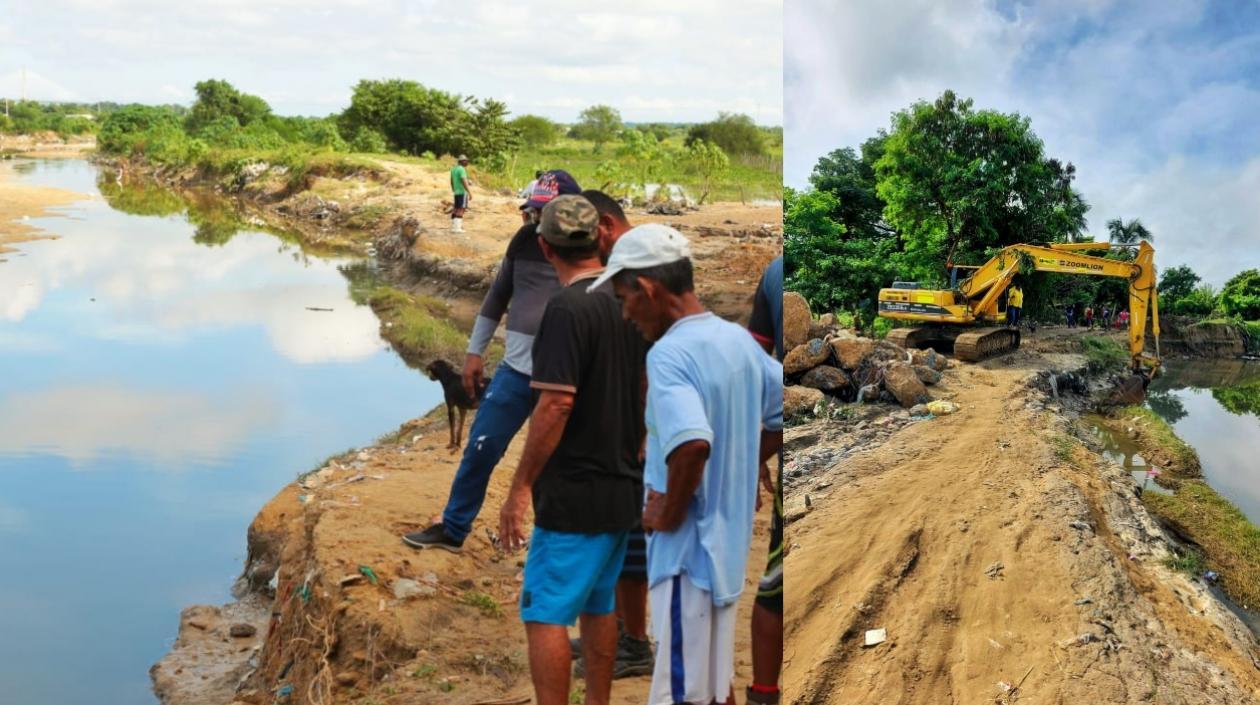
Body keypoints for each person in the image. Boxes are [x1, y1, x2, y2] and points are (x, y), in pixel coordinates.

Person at [591, 224, 784, 705]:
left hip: (687, 558)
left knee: (682, 691)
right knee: (715, 687)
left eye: (624, 298)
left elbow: (693, 444)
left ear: (649, 289)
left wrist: (670, 512)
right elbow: (781, 411)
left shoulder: (669, 355)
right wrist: (745, 464)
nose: (625, 313)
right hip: (727, 553)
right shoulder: (738, 342)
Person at [498, 195, 648, 705]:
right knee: (600, 606)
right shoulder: (627, 300)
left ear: (545, 246)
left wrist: (519, 488)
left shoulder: (566, 308)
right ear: (598, 238)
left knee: (543, 613)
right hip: (622, 482)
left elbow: (555, 406)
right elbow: (646, 385)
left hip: (575, 492)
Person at [402, 169, 582, 553]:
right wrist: (473, 352)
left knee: (560, 461)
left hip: (567, 379)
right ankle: (453, 528)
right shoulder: (522, 242)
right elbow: (497, 297)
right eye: (534, 213)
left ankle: (557, 543)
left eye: (545, 214)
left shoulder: (590, 255)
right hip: (515, 372)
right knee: (482, 446)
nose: (537, 223)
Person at [565, 189, 654, 679]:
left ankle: (635, 643)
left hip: (640, 424)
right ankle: (620, 629)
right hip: (628, 419)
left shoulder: (638, 261)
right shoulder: (630, 259)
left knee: (632, 536)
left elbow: (648, 352)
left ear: (603, 225)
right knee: (619, 531)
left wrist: (641, 426)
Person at [746, 255, 784, 705]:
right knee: (774, 582)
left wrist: (755, 454)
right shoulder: (776, 274)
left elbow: (754, 363)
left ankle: (764, 693)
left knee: (774, 582)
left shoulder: (774, 271)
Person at [450, 155, 472, 233]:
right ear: (461, 161)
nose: (467, 162)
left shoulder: (453, 169)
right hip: (462, 192)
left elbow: (451, 180)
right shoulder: (462, 169)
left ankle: (454, 227)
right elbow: (464, 181)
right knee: (461, 209)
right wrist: (469, 192)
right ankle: (457, 228)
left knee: (456, 209)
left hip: (456, 192)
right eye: (465, 161)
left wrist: (453, 189)